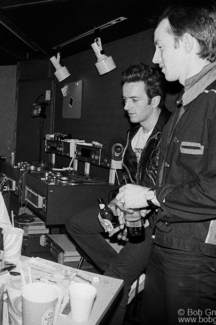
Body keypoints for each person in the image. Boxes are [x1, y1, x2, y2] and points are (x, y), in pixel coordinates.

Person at [116, 3, 216, 324]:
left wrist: (151, 197)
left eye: (160, 46)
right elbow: (178, 180)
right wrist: (144, 201)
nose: (155, 57)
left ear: (187, 43)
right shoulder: (185, 103)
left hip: (196, 254)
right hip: (166, 240)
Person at [66, 63, 170, 325]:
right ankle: (126, 275)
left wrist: (136, 213)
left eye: (134, 100)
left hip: (158, 219)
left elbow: (169, 190)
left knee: (113, 280)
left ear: (155, 100)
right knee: (76, 224)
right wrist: (115, 207)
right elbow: (130, 181)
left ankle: (119, 280)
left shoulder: (171, 134)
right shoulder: (133, 132)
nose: (127, 107)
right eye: (125, 100)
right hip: (129, 210)